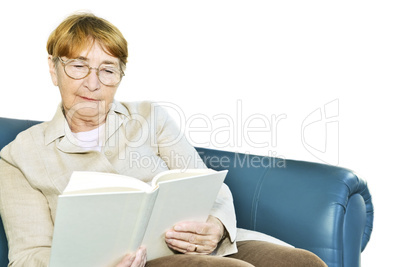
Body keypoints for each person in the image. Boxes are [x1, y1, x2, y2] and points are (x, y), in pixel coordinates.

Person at [0, 13, 327, 267]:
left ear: (120, 75)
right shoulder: (19, 157)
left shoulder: (150, 117)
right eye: (78, 66)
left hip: (195, 246)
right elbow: (28, 257)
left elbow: (210, 186)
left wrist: (216, 225)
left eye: (108, 69)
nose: (93, 83)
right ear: (53, 69)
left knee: (302, 262)